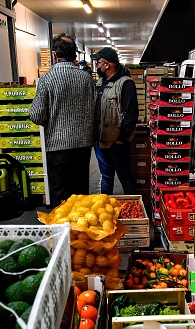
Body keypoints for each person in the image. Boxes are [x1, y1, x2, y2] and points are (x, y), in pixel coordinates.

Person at [29, 33, 96, 208]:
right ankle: (80, 232)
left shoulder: (47, 79)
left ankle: (63, 232)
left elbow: (36, 115)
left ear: (54, 55)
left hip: (58, 146)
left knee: (60, 196)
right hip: (83, 145)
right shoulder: (87, 78)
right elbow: (95, 110)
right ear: (75, 55)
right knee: (81, 194)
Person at [91, 47, 138, 195]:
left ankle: (134, 211)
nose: (97, 66)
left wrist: (122, 138)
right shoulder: (99, 83)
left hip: (118, 143)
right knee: (106, 177)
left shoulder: (126, 84)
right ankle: (105, 207)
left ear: (107, 64)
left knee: (125, 177)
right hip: (101, 141)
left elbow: (131, 114)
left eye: (98, 62)